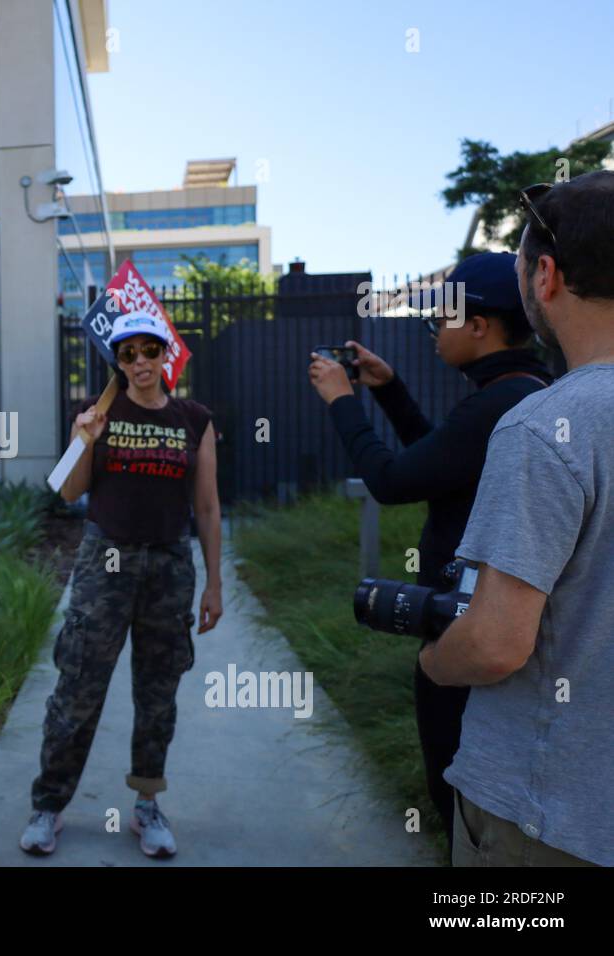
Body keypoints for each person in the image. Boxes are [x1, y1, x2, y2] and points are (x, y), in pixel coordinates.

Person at [306, 252, 551, 847]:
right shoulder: (522, 391)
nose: (435, 331)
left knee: (458, 802)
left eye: (440, 319)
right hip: (491, 618)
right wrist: (389, 392)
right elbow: (436, 466)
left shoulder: (497, 402)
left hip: (469, 630)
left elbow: (391, 482)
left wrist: (342, 400)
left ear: (479, 325)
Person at [421, 170, 614, 867]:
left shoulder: (547, 426)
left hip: (547, 818)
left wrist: (434, 660)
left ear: (547, 277)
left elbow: (496, 645)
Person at [21, 311, 223, 859]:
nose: (139, 362)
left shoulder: (195, 419)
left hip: (168, 566)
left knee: (158, 694)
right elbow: (67, 492)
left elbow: (206, 505)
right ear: (119, 361)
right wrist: (84, 441)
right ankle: (49, 804)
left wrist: (214, 583)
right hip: (103, 565)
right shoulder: (97, 415)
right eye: (127, 354)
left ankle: (147, 805)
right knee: (77, 689)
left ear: (165, 355)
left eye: (148, 351)